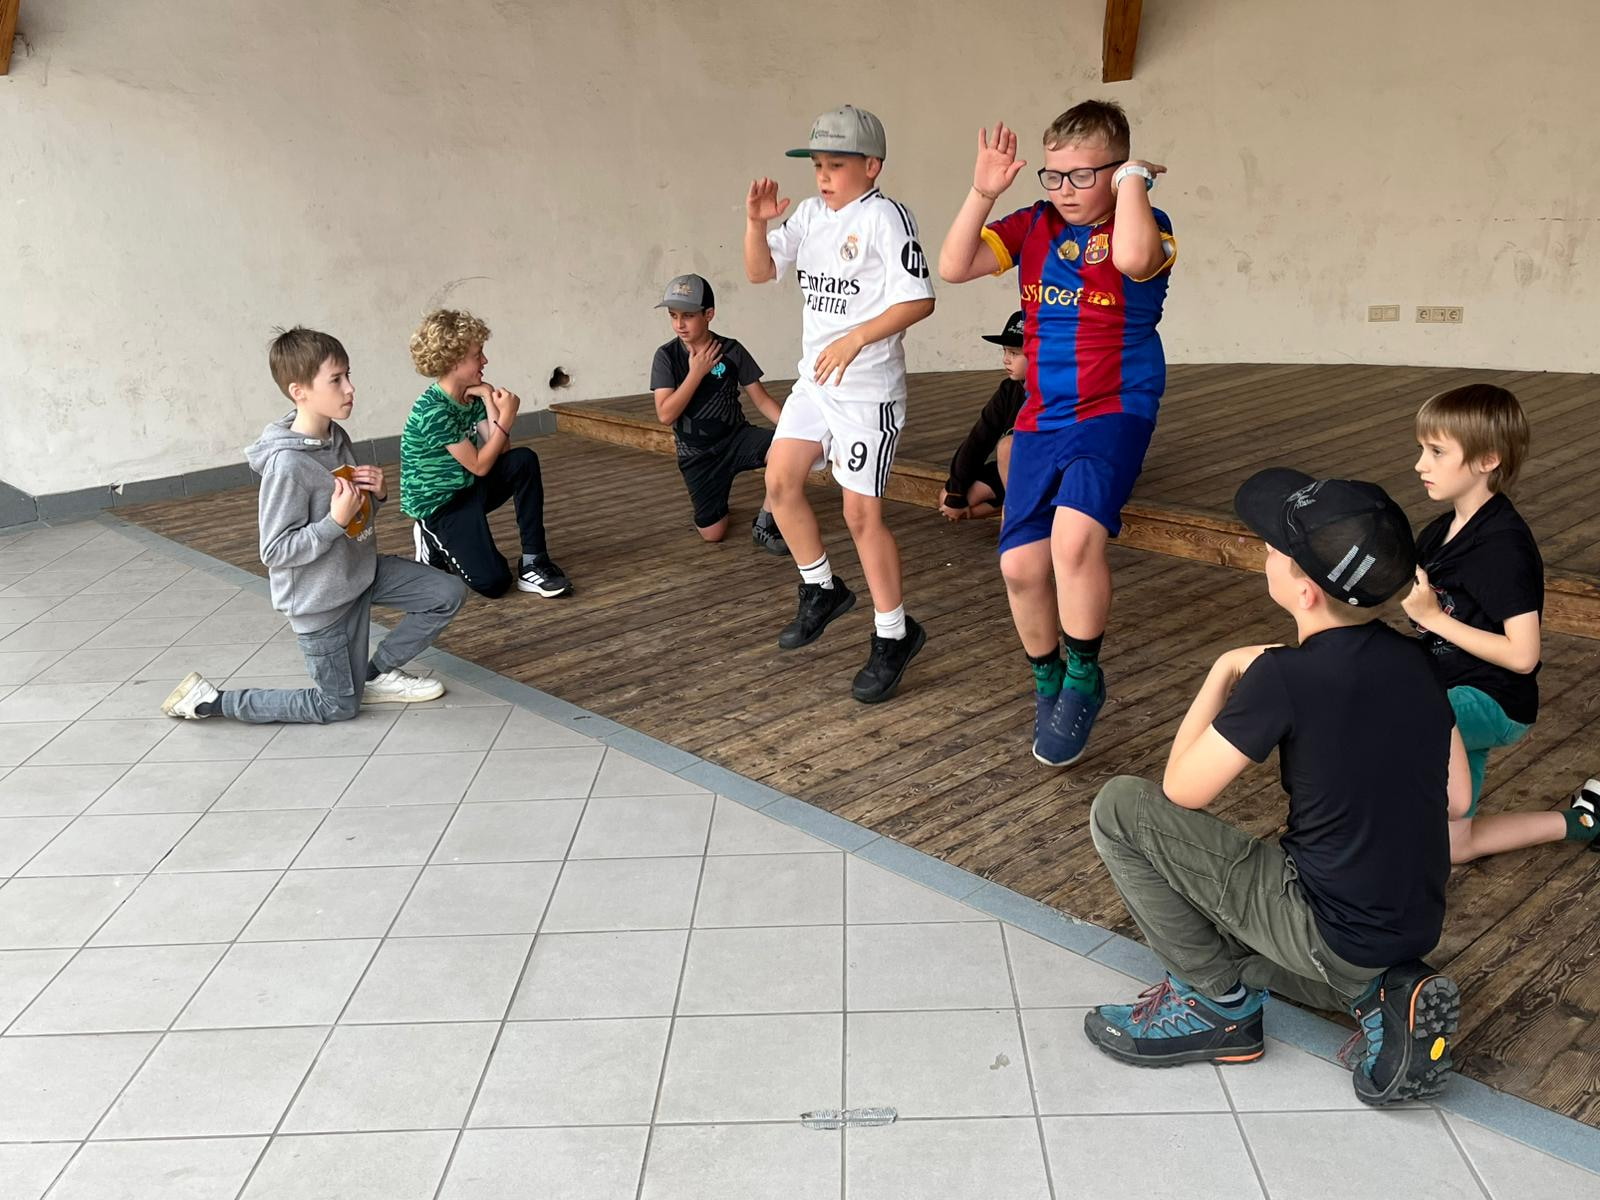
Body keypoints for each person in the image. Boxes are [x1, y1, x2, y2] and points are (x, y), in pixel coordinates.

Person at [1083, 468, 1468, 1107]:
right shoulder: (1418, 662)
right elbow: (1457, 799)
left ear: (1305, 592)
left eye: (1274, 550)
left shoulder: (1285, 676)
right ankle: (1380, 993)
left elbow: (1180, 790)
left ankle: (1215, 1007)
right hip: (1408, 924)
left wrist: (1223, 670)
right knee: (1238, 939)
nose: (1265, 553)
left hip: (1329, 924)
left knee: (1119, 807)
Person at [936, 100, 1175, 766]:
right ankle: (1047, 680)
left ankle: (1082, 677)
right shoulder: (1034, 223)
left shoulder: (1146, 223)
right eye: (1054, 175)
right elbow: (954, 266)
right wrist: (983, 192)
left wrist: (1133, 181)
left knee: (1072, 542)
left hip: (1115, 407)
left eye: (1083, 175)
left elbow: (1134, 259)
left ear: (1117, 171)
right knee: (1018, 565)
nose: (1065, 190)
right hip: (1043, 414)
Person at [162, 327, 465, 724]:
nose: (350, 388)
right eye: (336, 380)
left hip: (360, 574)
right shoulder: (287, 466)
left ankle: (374, 675)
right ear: (299, 391)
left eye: (348, 375)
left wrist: (376, 496)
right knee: (336, 707)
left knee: (446, 593)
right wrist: (334, 521)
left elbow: (353, 519)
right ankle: (211, 702)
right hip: (322, 603)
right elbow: (275, 551)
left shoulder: (335, 436)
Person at [743, 104, 937, 703]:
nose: (823, 176)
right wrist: (755, 224)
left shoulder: (885, 217)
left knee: (860, 516)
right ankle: (821, 588)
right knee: (779, 481)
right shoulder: (808, 214)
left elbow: (919, 299)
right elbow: (759, 272)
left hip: (867, 391)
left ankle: (894, 634)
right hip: (816, 383)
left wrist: (856, 339)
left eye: (836, 164)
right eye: (818, 165)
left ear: (871, 166)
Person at [1400, 384, 1597, 858]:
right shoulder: (1440, 531)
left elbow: (1523, 656)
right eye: (1421, 449)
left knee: (1392, 718)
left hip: (1491, 699)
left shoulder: (1502, 547)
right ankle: (1586, 822)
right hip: (1448, 690)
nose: (1420, 464)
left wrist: (1433, 618)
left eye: (1437, 451)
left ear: (1488, 459)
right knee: (1454, 848)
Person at [402, 309, 571, 598]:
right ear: (454, 361)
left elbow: (501, 451)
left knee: (522, 461)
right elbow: (480, 466)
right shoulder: (433, 410)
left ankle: (534, 562)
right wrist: (508, 417)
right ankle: (430, 538)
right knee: (494, 584)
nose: (485, 360)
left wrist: (488, 397)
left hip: (466, 488)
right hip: (440, 507)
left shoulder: (471, 395)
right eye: (477, 354)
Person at [649, 273, 786, 552]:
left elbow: (761, 400)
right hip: (697, 454)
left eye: (688, 316)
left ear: (709, 314)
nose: (679, 324)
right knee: (713, 534)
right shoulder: (666, 356)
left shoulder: (731, 350)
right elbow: (665, 415)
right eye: (673, 316)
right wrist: (696, 372)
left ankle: (765, 522)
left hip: (737, 438)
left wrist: (795, 431)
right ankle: (716, 500)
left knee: (788, 450)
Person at [940, 309, 1027, 521]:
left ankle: (1017, 516)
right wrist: (956, 492)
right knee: (947, 498)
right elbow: (979, 439)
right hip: (1009, 471)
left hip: (1044, 472)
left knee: (1008, 446)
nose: (1006, 360)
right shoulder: (1009, 389)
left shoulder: (1054, 391)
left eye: (1015, 353)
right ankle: (1008, 507)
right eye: (1005, 352)